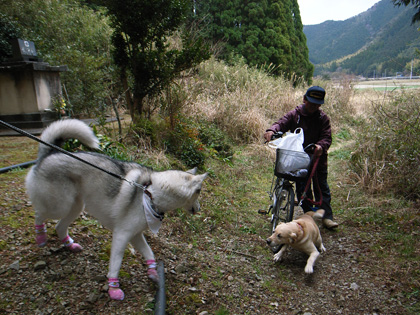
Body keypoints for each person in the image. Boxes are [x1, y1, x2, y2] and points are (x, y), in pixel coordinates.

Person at [264, 86, 338, 229]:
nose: (313, 106)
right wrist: (271, 130)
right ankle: (308, 213)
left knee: (322, 188)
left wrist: (320, 146)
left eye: (317, 104)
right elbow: (281, 123)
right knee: (302, 187)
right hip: (298, 159)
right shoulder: (295, 114)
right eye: (311, 103)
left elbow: (327, 137)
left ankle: (327, 217)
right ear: (305, 99)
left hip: (318, 159)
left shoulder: (323, 119)